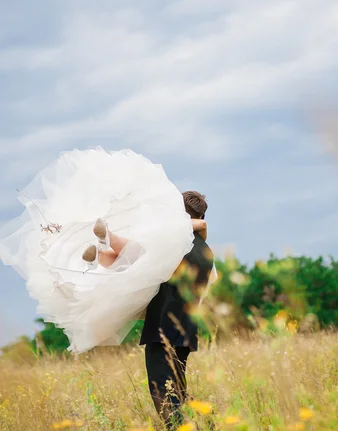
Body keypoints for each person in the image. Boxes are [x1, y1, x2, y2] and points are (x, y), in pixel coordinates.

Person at [0, 149, 199, 353]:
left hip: (155, 294)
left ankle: (105, 245)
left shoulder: (179, 235)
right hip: (164, 306)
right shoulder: (190, 244)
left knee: (135, 259)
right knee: (137, 260)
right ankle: (103, 248)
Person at [139, 191, 215, 431]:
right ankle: (209, 428)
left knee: (163, 392)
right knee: (178, 390)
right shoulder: (205, 251)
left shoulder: (172, 245)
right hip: (185, 331)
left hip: (163, 329)